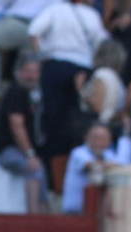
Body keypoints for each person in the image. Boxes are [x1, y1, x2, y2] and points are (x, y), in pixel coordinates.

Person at [29, 0, 108, 161]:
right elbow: (102, 42)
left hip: (55, 67)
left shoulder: (55, 9)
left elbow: (33, 31)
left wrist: (41, 56)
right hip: (83, 69)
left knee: (53, 118)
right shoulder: (92, 15)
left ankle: (52, 162)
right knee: (77, 119)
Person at [0, 0, 54, 108]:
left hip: (20, 22)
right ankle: (21, 103)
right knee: (25, 64)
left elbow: (0, 4)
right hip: (41, 33)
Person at [0, 53, 47, 214]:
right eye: (28, 71)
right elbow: (17, 126)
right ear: (19, 72)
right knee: (34, 169)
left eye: (35, 72)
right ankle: (34, 217)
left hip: (17, 150)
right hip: (9, 150)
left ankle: (43, 215)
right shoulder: (17, 92)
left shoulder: (31, 94)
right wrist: (30, 154)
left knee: (40, 171)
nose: (32, 76)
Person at [61, 121, 130, 214]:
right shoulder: (78, 153)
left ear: (109, 141)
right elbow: (93, 166)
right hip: (75, 213)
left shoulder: (109, 154)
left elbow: (119, 167)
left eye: (103, 138)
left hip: (98, 213)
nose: (99, 142)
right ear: (86, 138)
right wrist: (115, 166)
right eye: (95, 137)